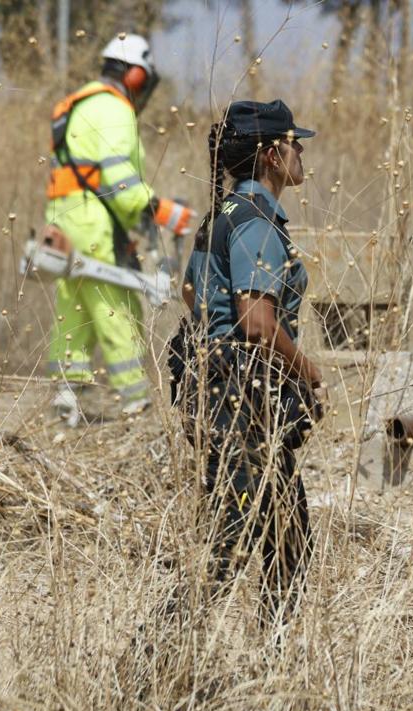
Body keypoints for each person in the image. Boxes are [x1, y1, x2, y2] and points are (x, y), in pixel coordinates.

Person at [169, 100, 323, 628]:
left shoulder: (225, 214)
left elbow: (191, 292)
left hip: (222, 395)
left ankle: (273, 664)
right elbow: (256, 321)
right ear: (272, 155)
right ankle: (159, 655)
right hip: (243, 403)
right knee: (230, 548)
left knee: (288, 537)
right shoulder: (257, 220)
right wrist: (305, 367)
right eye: (293, 142)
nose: (301, 151)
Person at [44, 33, 193, 426]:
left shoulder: (81, 105)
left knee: (75, 311)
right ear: (136, 76)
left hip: (66, 220)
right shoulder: (114, 109)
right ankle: (137, 406)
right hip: (96, 225)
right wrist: (160, 211)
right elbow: (118, 181)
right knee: (118, 309)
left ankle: (65, 403)